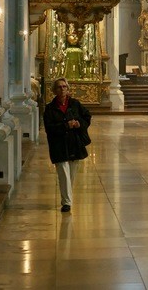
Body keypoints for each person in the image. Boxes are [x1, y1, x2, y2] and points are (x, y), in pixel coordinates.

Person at [44, 78, 91, 213]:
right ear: (54, 90)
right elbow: (49, 128)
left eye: (65, 86)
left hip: (74, 143)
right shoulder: (50, 108)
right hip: (59, 145)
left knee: (71, 175)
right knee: (63, 173)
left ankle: (67, 197)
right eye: (59, 87)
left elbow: (87, 116)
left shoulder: (75, 104)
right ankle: (66, 202)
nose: (62, 89)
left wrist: (79, 123)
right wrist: (66, 125)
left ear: (68, 89)